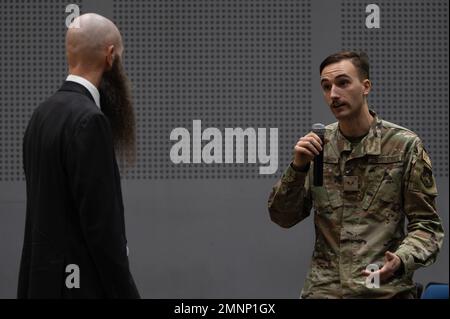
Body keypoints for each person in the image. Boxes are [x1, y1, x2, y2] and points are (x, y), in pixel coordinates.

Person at [268, 51, 444, 299]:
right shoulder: (318, 145)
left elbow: (427, 227)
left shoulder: (403, 146)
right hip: (324, 291)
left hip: (380, 288)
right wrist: (297, 168)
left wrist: (402, 260)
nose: (333, 95)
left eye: (342, 83)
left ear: (365, 87)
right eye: (326, 86)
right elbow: (283, 217)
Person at [18, 13, 140, 298]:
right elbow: (103, 233)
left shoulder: (41, 115)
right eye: (120, 56)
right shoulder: (90, 122)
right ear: (110, 56)